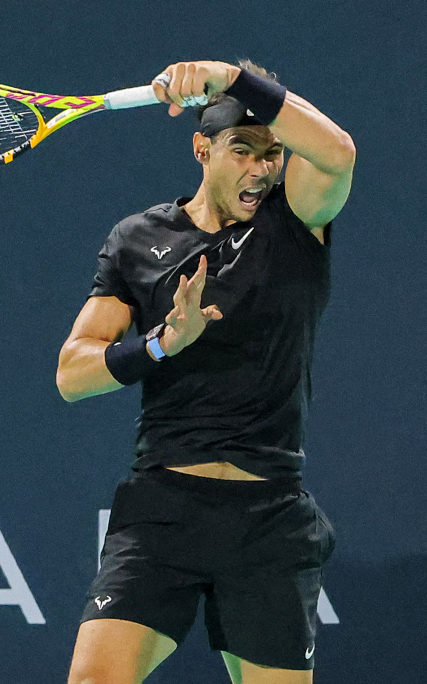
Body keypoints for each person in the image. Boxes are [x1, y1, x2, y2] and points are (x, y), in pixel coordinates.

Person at [55, 59, 355, 684]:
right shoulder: (137, 239)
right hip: (163, 507)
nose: (261, 168)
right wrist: (161, 345)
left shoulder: (296, 219)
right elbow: (73, 373)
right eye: (241, 150)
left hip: (269, 514)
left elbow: (337, 151)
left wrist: (229, 76)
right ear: (202, 148)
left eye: (272, 153)